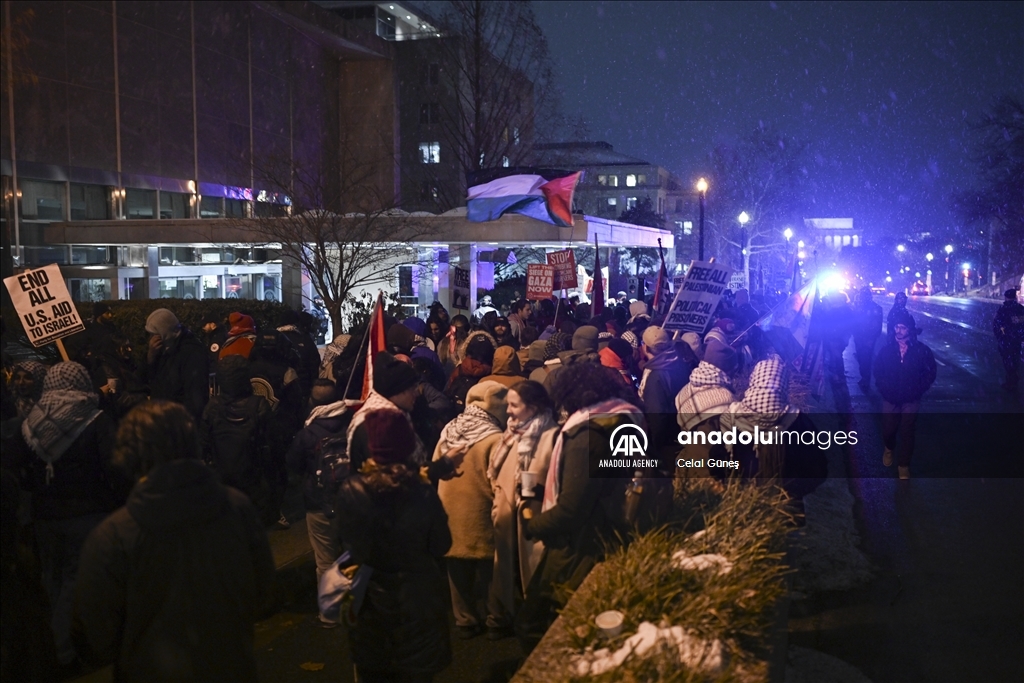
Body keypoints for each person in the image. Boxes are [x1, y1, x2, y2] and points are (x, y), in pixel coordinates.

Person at [72, 401, 275, 682]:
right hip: (230, 667)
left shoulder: (114, 535)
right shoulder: (237, 508)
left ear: (131, 453)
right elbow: (263, 593)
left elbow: (98, 633)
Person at [515, 363, 643, 650]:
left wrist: (532, 524)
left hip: (581, 548)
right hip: (613, 535)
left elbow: (572, 510)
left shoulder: (587, 435)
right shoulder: (620, 417)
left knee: (534, 625)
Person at [334, 410, 453, 683]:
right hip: (417, 599)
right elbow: (441, 544)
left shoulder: (351, 490)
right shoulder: (421, 492)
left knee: (376, 671)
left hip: (370, 602)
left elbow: (345, 544)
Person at [17, 362, 123, 669]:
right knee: (77, 582)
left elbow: (18, 464)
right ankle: (65, 652)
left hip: (44, 516)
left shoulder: (32, 420)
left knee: (51, 579)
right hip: (86, 512)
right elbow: (114, 464)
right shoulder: (94, 417)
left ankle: (48, 647)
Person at [433, 381, 509, 640]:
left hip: (449, 510)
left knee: (457, 570)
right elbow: (500, 478)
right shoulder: (495, 437)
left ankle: (464, 619)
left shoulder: (449, 429)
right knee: (491, 570)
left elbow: (435, 465)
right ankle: (495, 620)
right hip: (480, 510)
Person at [488, 380, 557, 631]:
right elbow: (497, 470)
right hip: (506, 515)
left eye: (514, 405)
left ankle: (533, 621)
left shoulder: (551, 435)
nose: (508, 411)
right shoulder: (511, 431)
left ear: (534, 407)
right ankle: (500, 616)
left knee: (532, 569)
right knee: (505, 570)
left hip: (534, 517)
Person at [200, 356, 274, 526]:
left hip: (223, 480)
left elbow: (203, 445)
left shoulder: (213, 407)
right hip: (254, 481)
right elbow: (273, 446)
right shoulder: (259, 406)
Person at [873, 309, 937, 479]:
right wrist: (884, 388)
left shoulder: (921, 351)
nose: (898, 331)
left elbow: (930, 372)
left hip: (911, 398)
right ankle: (889, 448)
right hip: (890, 397)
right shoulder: (887, 350)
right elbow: (878, 371)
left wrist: (918, 389)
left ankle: (904, 465)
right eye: (896, 327)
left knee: (907, 431)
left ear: (910, 330)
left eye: (902, 328)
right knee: (888, 430)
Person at [142, 308, 209, 421]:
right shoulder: (161, 349)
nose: (151, 339)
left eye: (154, 334)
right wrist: (150, 358)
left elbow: (194, 396)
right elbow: (144, 379)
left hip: (178, 421)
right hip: (165, 417)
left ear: (164, 332)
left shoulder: (191, 352)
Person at [638, 326, 691, 456]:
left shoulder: (656, 376)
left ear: (645, 347)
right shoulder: (680, 364)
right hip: (681, 432)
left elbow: (657, 416)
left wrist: (655, 447)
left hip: (667, 441)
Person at [852, 286, 883, 391]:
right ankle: (864, 378)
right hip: (859, 337)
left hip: (867, 338)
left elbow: (877, 326)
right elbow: (854, 322)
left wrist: (871, 339)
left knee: (866, 359)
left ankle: (866, 380)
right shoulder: (858, 307)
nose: (863, 297)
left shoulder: (875, 308)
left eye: (865, 295)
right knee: (861, 358)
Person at [993, 288, 1024, 391]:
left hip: (1006, 339)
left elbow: (997, 324)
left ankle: (1010, 381)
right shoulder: (1020, 308)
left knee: (1007, 360)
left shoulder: (1004, 309)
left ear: (1006, 297)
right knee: (1015, 360)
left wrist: (1000, 336)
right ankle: (1014, 379)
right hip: (1017, 339)